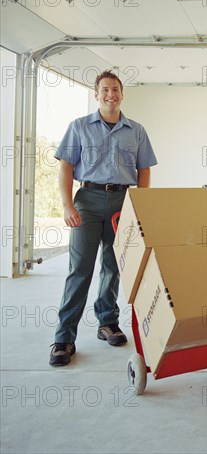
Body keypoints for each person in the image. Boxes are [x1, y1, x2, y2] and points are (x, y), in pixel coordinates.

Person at [49, 71, 157, 366]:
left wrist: (141, 204)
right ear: (97, 94)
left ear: (122, 94)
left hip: (123, 202)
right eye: (105, 90)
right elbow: (66, 167)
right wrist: (68, 206)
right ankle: (63, 338)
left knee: (113, 266)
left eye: (116, 89)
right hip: (88, 202)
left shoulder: (136, 130)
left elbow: (144, 168)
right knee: (80, 269)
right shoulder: (80, 127)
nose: (111, 94)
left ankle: (107, 323)